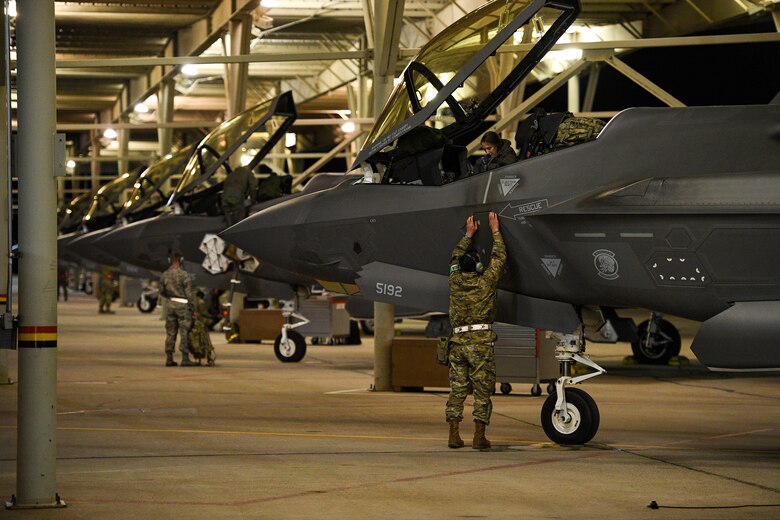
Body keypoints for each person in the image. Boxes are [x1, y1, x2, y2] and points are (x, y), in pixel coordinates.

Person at [445, 212, 506, 449]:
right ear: (479, 266)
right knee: (482, 390)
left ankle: (453, 433)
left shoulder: (454, 281)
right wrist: (495, 231)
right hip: (480, 344)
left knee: (457, 389)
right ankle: (479, 436)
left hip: (458, 342)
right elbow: (499, 257)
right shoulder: (486, 281)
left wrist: (468, 234)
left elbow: (454, 258)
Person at [159, 250, 196, 367]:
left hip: (171, 305)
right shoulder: (184, 275)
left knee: (170, 332)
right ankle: (185, 358)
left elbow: (162, 291)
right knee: (184, 332)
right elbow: (189, 294)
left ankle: (169, 358)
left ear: (170, 261)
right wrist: (193, 309)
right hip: (183, 305)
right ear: (181, 260)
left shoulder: (165, 274)